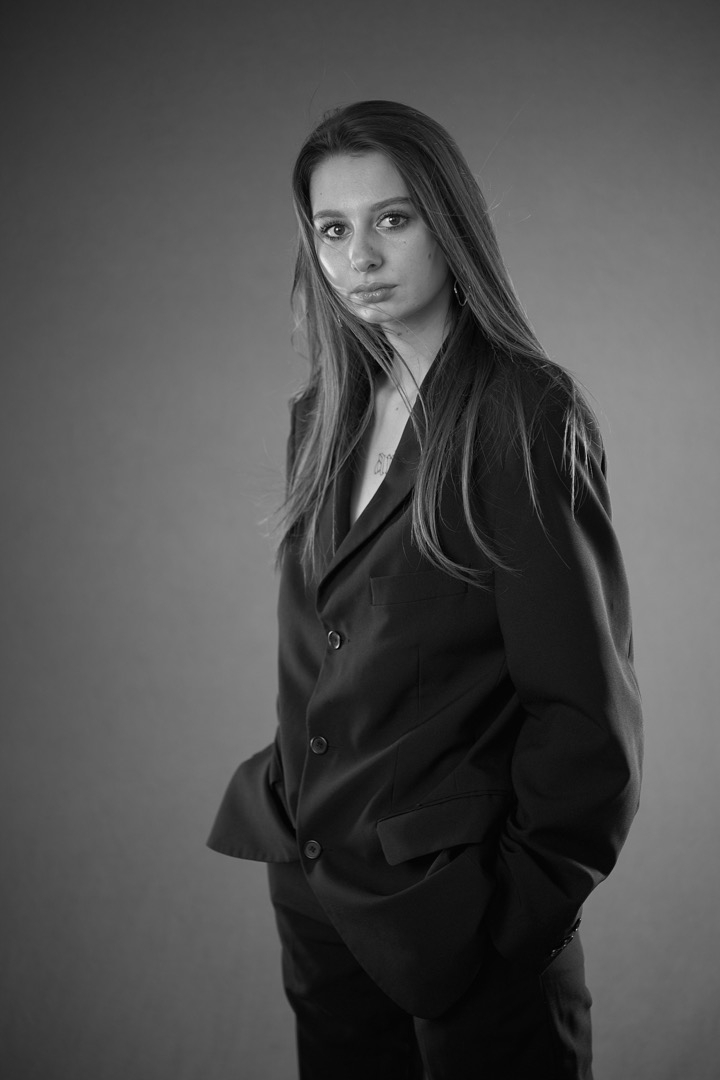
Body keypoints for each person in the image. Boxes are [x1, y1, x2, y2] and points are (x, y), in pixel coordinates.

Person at [208, 100, 643, 1080]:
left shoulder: (522, 412)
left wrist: (516, 921)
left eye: (392, 219)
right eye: (333, 229)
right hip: (321, 898)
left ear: (449, 225)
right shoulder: (324, 415)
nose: (359, 255)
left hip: (464, 915)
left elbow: (585, 712)